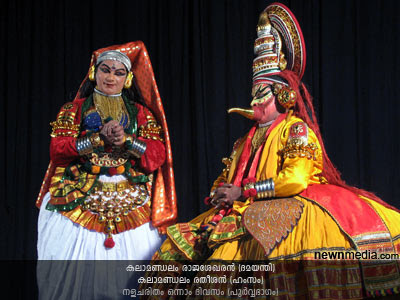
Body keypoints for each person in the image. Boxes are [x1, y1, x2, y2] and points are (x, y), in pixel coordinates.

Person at [143, 3, 400, 299]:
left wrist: (243, 193)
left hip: (284, 204)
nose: (254, 101)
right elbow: (226, 178)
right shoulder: (244, 140)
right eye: (253, 94)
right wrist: (221, 192)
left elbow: (294, 180)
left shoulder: (295, 130)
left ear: (283, 96)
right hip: (239, 211)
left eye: (261, 94)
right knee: (172, 255)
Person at [36, 41, 177, 298]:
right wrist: (96, 139)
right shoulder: (73, 109)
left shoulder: (142, 114)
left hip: (131, 200)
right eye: (105, 70)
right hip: (76, 198)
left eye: (118, 72)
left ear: (128, 79)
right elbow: (57, 150)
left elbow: (157, 156)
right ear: (94, 73)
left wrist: (128, 141)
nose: (111, 77)